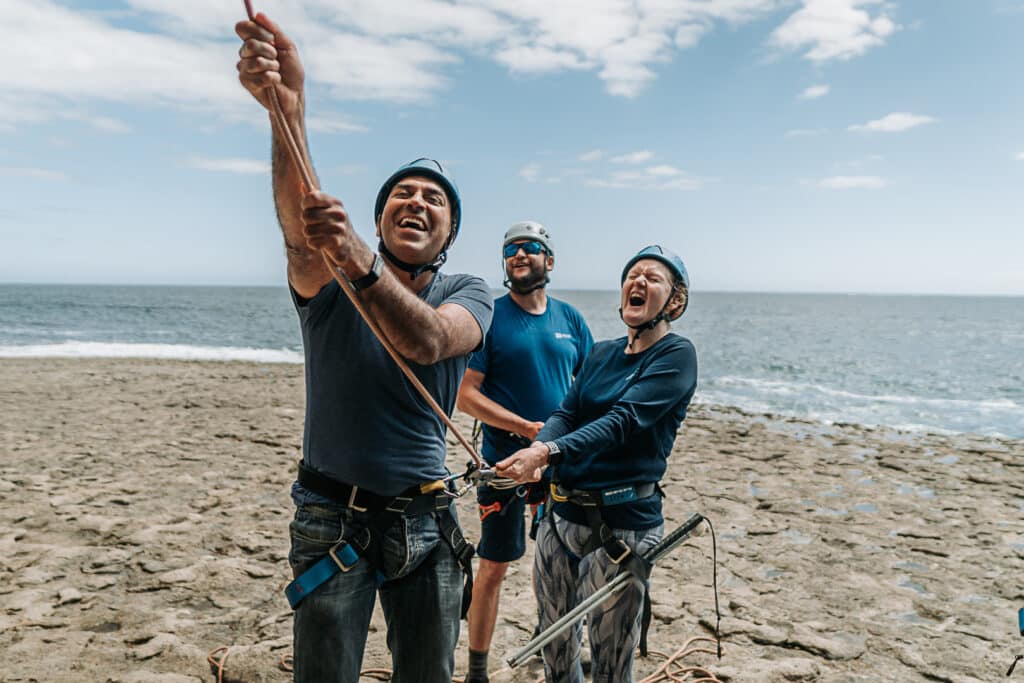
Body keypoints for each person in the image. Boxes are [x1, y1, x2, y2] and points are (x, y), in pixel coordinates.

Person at [235, 14, 493, 683]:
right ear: (380, 220)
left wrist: (356, 257)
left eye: (434, 199)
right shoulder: (329, 279)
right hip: (330, 519)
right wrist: (287, 110)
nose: (417, 202)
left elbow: (430, 339)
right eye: (402, 194)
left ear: (449, 230)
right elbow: (301, 233)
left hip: (428, 520)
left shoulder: (468, 289)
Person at [497, 245, 698, 683]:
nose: (638, 282)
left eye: (652, 278)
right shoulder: (603, 353)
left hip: (623, 527)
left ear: (675, 301)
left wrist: (546, 453)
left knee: (610, 663)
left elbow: (622, 420)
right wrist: (539, 451)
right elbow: (566, 414)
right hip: (561, 519)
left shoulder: (676, 356)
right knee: (555, 650)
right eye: (633, 275)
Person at [456, 222, 593, 683]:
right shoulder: (490, 319)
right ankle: (477, 669)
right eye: (510, 249)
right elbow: (465, 394)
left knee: (563, 562)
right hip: (505, 466)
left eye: (530, 248)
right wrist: (526, 429)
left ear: (548, 261)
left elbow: (591, 389)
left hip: (560, 463)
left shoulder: (570, 319)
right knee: (494, 566)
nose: (518, 254)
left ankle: (552, 643)